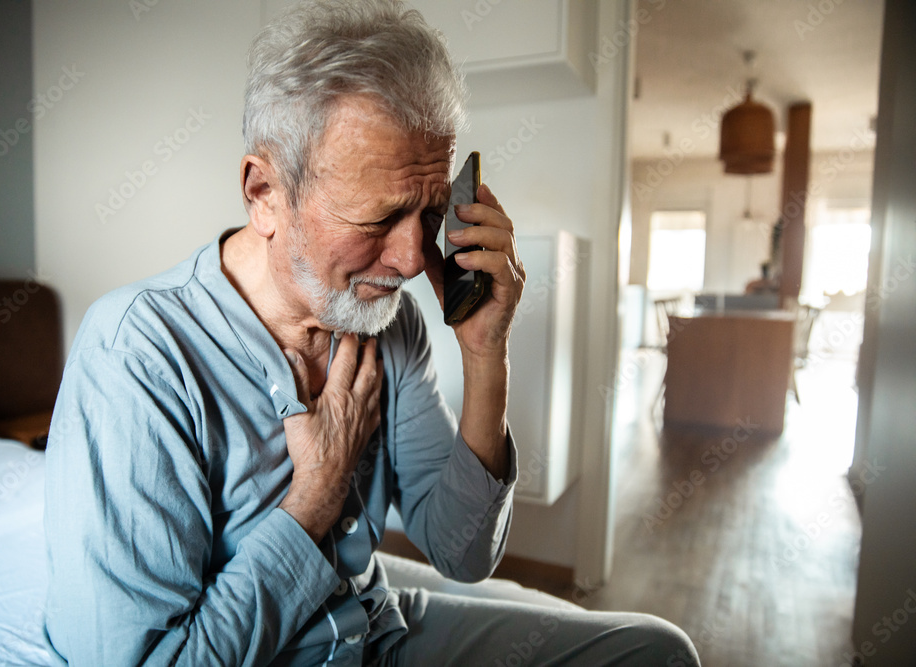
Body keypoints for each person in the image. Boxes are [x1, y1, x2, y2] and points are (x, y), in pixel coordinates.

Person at [43, 1, 700, 665]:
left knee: (658, 651)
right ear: (264, 193)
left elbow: (461, 551)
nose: (413, 261)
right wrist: (315, 497)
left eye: (431, 212)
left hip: (378, 629)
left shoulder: (390, 321)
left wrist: (485, 354)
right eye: (378, 219)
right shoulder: (137, 354)